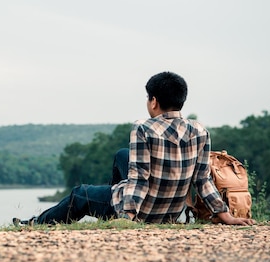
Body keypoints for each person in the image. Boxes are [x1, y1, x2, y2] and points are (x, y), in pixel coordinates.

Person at [14, 71, 254, 226]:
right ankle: (112, 196)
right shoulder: (200, 130)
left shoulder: (143, 128)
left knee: (79, 193)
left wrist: (127, 218)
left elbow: (139, 177)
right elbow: (202, 179)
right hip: (171, 211)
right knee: (122, 155)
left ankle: (35, 223)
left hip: (144, 211)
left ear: (154, 101)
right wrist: (225, 215)